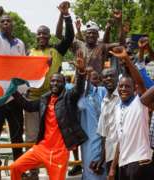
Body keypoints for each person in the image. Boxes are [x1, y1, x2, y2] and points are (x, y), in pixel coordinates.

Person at [9, 52, 88, 180]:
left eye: (58, 81)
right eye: (52, 81)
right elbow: (28, 106)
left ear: (63, 84)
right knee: (15, 167)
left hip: (59, 153)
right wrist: (13, 91)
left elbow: (78, 89)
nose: (55, 83)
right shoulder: (44, 99)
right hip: (41, 148)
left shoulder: (68, 97)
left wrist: (81, 72)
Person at [25, 1, 75, 178]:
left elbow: (69, 37)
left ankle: (52, 167)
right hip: (33, 100)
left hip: (52, 100)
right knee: (31, 137)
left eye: (45, 34)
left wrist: (66, 15)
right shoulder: (29, 53)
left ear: (48, 36)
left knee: (51, 136)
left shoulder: (56, 51)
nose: (41, 36)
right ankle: (33, 170)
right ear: (36, 36)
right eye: (39, 34)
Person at [0, 6, 25, 179]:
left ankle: (18, 170)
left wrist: (23, 92)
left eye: (8, 21)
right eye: (3, 21)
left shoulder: (20, 43)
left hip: (15, 96)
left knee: (17, 137)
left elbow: (24, 68)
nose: (6, 23)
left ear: (12, 25)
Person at [108, 47, 154, 180]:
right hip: (123, 165)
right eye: (121, 86)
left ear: (134, 89)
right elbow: (120, 140)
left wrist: (126, 59)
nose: (123, 89)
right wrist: (112, 168)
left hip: (140, 162)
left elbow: (140, 83)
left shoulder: (140, 103)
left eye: (127, 86)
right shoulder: (117, 108)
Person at [78, 65, 107, 180]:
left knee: (102, 171)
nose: (90, 80)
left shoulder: (102, 91)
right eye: (88, 78)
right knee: (91, 170)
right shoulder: (81, 97)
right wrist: (82, 74)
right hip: (89, 142)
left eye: (94, 78)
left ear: (99, 81)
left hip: (104, 141)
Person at [96, 68, 120, 180]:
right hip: (110, 154)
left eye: (111, 75)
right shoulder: (104, 101)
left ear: (117, 78)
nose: (109, 78)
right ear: (102, 80)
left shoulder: (123, 96)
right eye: (105, 77)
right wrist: (102, 158)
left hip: (125, 155)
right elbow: (104, 133)